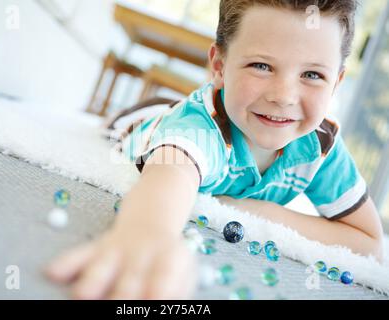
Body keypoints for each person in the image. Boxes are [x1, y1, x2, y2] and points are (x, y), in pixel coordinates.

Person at [46, 0, 384, 299]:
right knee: (157, 121)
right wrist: (148, 233)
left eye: (312, 74)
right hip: (144, 120)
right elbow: (170, 175)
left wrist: (256, 211)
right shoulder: (197, 131)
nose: (284, 96)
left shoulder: (321, 145)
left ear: (336, 83)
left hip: (196, 112)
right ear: (219, 66)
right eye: (261, 66)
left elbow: (369, 242)